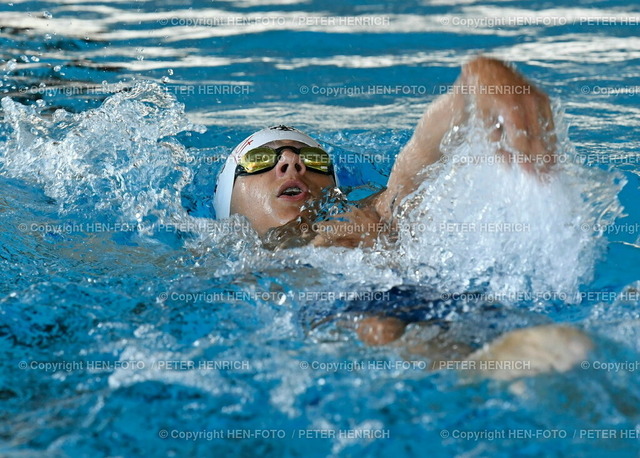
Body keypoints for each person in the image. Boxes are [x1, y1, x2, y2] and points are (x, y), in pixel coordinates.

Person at [212, 56, 590, 379]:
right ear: (229, 202)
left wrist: (478, 78)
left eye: (313, 161)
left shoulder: (366, 214)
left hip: (447, 303)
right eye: (260, 160)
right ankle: (491, 373)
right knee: (377, 329)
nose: (292, 162)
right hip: (361, 336)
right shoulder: (218, 264)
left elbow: (419, 157)